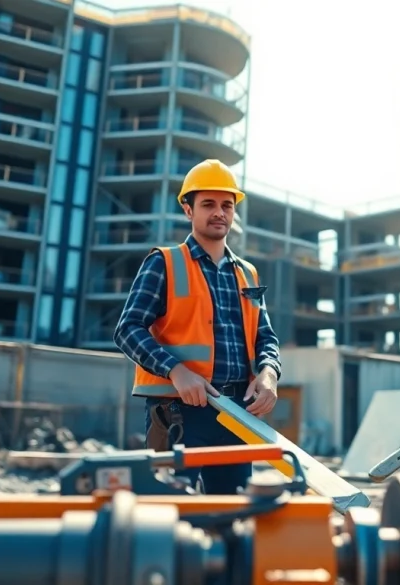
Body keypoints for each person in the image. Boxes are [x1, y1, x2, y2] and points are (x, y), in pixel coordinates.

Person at [114, 158, 283, 496]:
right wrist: (176, 371)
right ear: (188, 209)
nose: (219, 212)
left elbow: (265, 336)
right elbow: (127, 329)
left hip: (237, 411)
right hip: (178, 411)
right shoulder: (164, 262)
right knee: (170, 514)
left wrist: (269, 374)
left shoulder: (247, 273)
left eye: (226, 205)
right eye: (208, 204)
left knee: (235, 513)